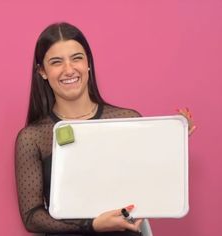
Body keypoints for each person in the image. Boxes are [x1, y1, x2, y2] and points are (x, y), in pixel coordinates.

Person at [15, 22, 195, 236]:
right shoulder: (32, 138)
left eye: (77, 58)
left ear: (88, 63)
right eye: (56, 62)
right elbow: (32, 216)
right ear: (43, 71)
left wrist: (172, 144)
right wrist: (91, 225)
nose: (69, 69)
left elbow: (148, 185)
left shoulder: (129, 120)